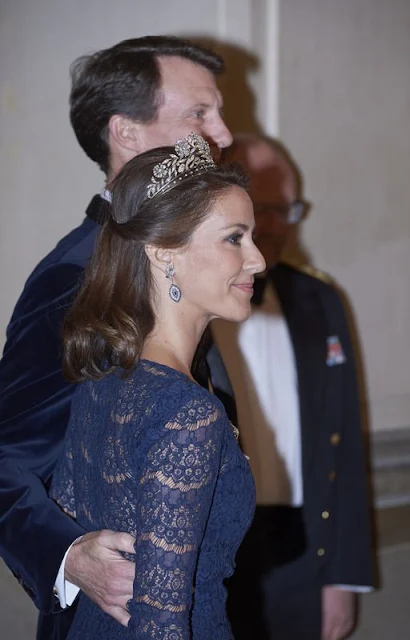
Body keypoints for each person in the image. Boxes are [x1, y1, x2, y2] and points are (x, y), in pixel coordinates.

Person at [0, 36, 234, 639]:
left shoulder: (184, 259)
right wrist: (70, 553)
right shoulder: (73, 276)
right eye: (199, 115)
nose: (224, 136)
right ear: (126, 133)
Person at [49, 132, 264, 638]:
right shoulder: (185, 411)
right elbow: (161, 627)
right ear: (163, 250)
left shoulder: (104, 379)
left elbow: (67, 511)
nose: (257, 259)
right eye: (235, 237)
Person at [213, 134, 375, 640]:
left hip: (306, 550)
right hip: (216, 553)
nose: (279, 224)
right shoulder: (186, 305)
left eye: (289, 208)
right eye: (264, 209)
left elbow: (345, 437)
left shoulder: (320, 299)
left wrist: (345, 577)